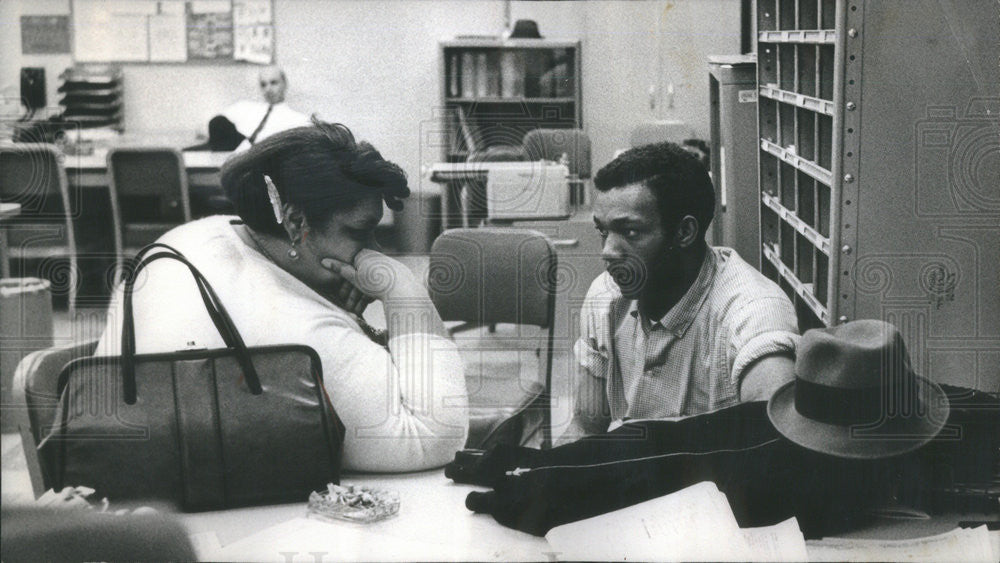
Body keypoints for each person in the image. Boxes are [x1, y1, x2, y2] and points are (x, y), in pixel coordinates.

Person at [96, 119, 469, 472]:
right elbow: (435, 437)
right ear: (294, 221)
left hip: (128, 476)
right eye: (360, 233)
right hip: (219, 524)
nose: (373, 254)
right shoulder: (294, 327)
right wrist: (403, 289)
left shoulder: (202, 233)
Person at [564, 141, 799, 441]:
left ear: (685, 232)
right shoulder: (605, 296)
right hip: (630, 476)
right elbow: (584, 430)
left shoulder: (754, 312)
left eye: (630, 232)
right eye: (603, 231)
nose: (608, 252)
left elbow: (773, 443)